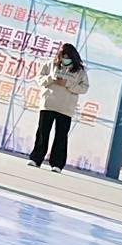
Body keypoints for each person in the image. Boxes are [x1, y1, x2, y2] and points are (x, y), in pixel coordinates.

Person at [30, 44, 90, 172]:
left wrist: (67, 84)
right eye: (63, 56)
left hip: (66, 108)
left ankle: (57, 164)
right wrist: (51, 78)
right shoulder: (51, 64)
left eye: (68, 57)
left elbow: (84, 88)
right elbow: (39, 79)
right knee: (42, 133)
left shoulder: (80, 71)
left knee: (61, 136)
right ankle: (36, 159)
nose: (65, 59)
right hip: (48, 104)